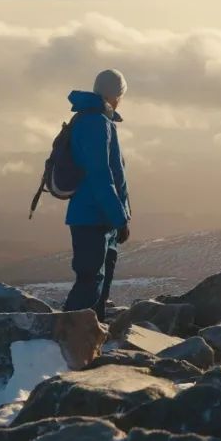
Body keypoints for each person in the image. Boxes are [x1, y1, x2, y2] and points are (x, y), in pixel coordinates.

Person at [63, 69, 131, 321]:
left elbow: (114, 173)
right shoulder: (96, 123)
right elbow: (101, 175)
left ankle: (93, 337)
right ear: (117, 94)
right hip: (92, 216)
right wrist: (120, 218)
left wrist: (120, 217)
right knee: (90, 281)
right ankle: (67, 338)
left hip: (100, 217)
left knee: (98, 281)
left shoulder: (101, 120)